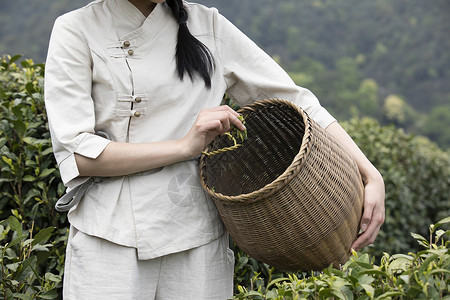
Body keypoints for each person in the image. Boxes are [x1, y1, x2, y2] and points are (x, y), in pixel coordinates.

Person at [44, 0, 385, 299]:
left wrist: (369, 173)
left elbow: (296, 101)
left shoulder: (208, 25)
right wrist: (184, 146)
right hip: (109, 236)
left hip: (197, 233)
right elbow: (78, 155)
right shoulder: (77, 29)